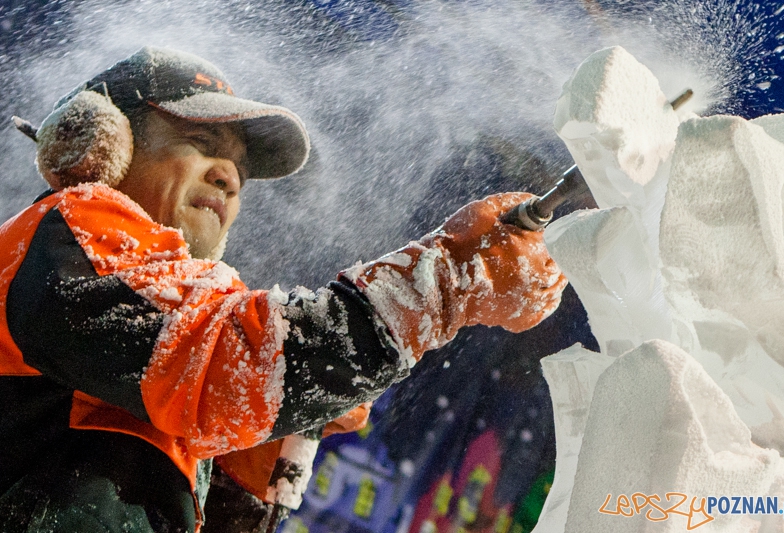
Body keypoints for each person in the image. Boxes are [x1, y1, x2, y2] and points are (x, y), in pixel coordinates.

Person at [0, 46, 566, 533]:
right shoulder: (71, 225)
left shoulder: (139, 351)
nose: (229, 176)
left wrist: (249, 457)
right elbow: (223, 362)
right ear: (102, 145)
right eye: (200, 140)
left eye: (239, 170)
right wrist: (444, 280)